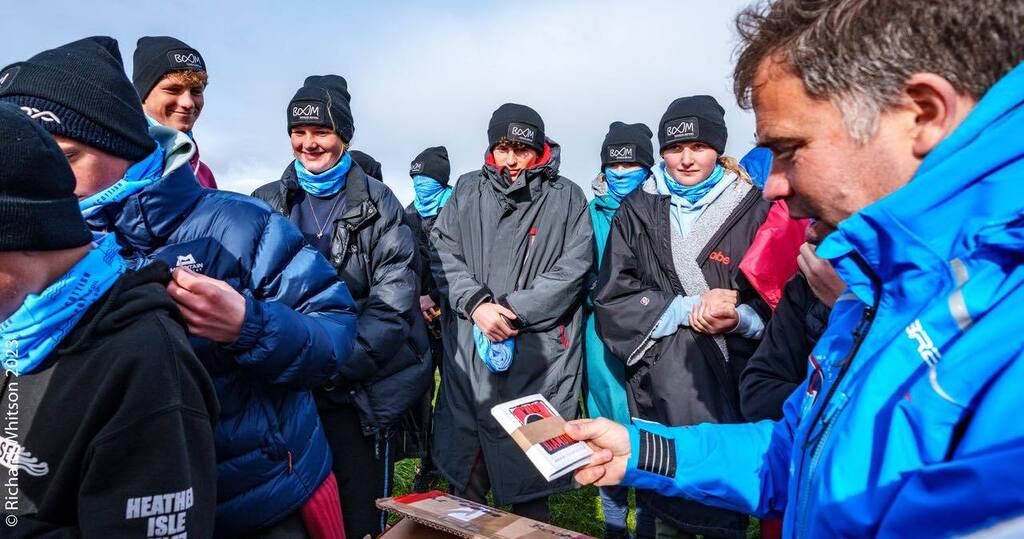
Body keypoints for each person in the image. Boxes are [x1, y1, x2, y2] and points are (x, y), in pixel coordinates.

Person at [567, 0, 1024, 536]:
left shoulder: (1002, 332)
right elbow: (803, 455)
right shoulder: (868, 286)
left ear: (921, 114)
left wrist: (742, 318)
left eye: (789, 148)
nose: (773, 187)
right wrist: (645, 449)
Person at [0, 37, 358, 538]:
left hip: (253, 500)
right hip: (91, 499)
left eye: (65, 157)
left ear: (123, 145)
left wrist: (248, 325)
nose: (39, 180)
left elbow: (335, 334)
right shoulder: (29, 250)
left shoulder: (240, 223)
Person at [0, 102, 217, 537]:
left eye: (72, 153)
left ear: (25, 227)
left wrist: (251, 323)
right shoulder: (16, 326)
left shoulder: (146, 363)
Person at [252, 75, 430, 539]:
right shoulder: (265, 201)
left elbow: (393, 304)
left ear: (344, 136)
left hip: (352, 391)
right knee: (287, 514)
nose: (309, 143)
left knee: (356, 516)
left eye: (322, 132)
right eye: (299, 132)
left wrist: (331, 364)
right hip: (285, 388)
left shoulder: (380, 203)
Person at [593, 95, 770, 539]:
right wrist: (685, 309)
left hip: (730, 378)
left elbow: (778, 301)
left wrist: (742, 318)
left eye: (698, 146)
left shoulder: (755, 207)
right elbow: (612, 296)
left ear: (718, 148)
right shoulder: (637, 209)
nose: (686, 159)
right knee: (664, 496)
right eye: (674, 148)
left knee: (722, 494)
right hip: (661, 380)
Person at [430, 103, 593, 521]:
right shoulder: (467, 189)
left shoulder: (567, 197)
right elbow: (442, 251)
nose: (512, 160)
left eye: (522, 150)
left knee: (531, 477)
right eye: (503, 148)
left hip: (538, 358)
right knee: (466, 477)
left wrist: (513, 309)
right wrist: (476, 304)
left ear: (539, 150)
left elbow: (574, 268)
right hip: (471, 351)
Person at [585, 122, 657, 539]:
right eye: (613, 163)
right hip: (600, 334)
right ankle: (614, 525)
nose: (621, 171)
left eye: (630, 163)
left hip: (654, 329)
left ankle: (648, 522)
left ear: (647, 167)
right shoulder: (590, 212)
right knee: (606, 420)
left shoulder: (663, 208)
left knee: (650, 426)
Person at [739, 221, 841, 422]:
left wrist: (847, 305)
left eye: (822, 215)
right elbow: (756, 393)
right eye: (812, 218)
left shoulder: (906, 295)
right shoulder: (806, 284)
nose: (809, 231)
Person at [403, 145, 453, 492]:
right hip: (419, 319)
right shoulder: (408, 214)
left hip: (453, 317)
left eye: (427, 180)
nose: (421, 186)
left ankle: (456, 463)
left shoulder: (458, 209)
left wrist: (434, 297)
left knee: (453, 395)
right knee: (423, 393)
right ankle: (428, 462)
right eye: (415, 179)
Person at [133, 36, 217, 189]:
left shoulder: (204, 175)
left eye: (196, 91)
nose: (188, 103)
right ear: (141, 94)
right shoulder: (115, 162)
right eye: (173, 90)